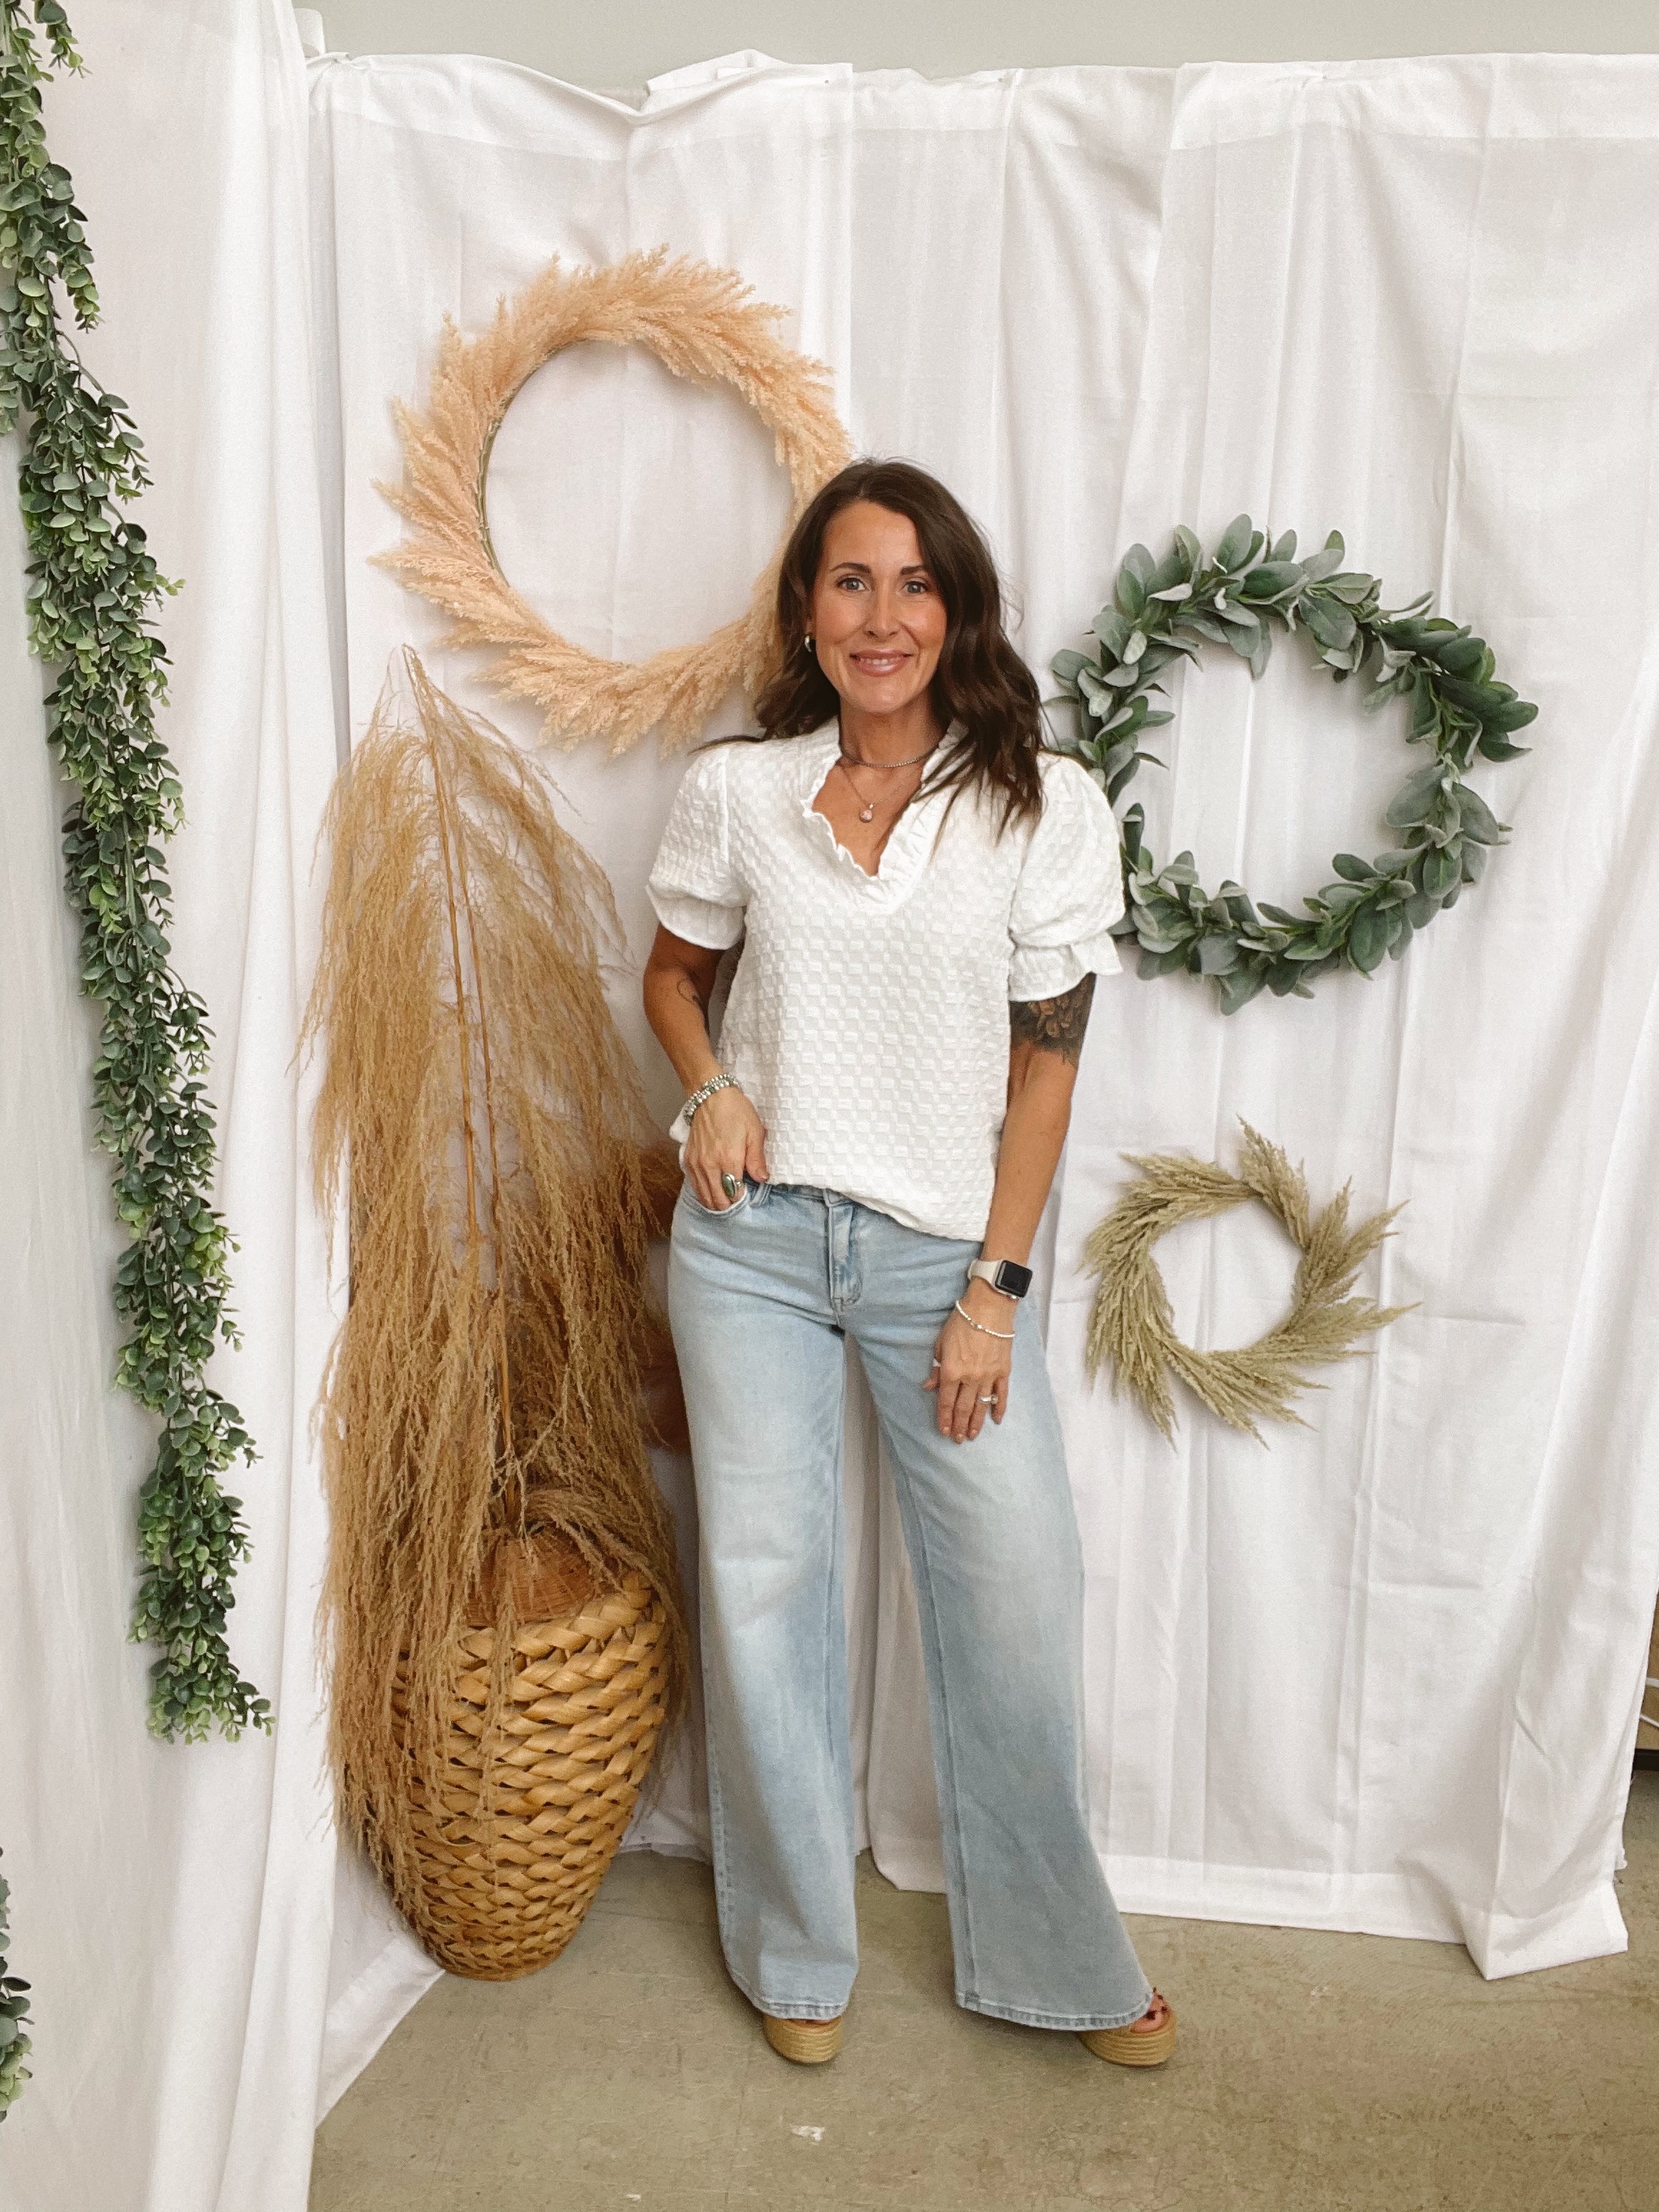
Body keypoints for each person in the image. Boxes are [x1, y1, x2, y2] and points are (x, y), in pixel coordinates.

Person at [642, 458, 1175, 2069]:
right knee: (764, 1585)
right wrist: (711, 1089)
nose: (884, 617)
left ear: (960, 610)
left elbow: (1047, 1071)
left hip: (943, 1256)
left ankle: (1060, 1959)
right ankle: (796, 1952)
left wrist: (994, 1291)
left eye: (916, 583)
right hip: (748, 1243)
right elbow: (672, 978)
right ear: (808, 610)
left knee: (1015, 1587)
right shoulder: (740, 791)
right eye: (852, 581)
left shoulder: (1038, 803)